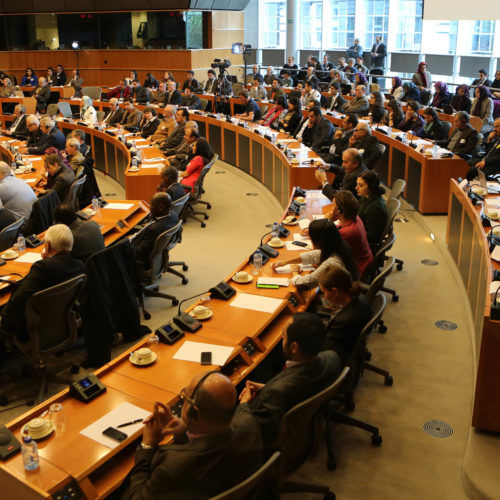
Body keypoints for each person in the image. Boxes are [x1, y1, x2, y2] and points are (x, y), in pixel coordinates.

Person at [121, 371, 262, 499]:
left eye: (185, 397)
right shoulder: (249, 423)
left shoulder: (172, 467)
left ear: (194, 413)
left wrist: (147, 446)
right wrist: (183, 426)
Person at [237, 312, 342, 445]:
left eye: (284, 335)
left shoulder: (275, 394)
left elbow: (250, 435)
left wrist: (244, 404)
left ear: (294, 347)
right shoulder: (332, 358)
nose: (281, 337)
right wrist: (267, 387)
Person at [0, 224, 85, 343]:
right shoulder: (79, 265)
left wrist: (4, 320)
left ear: (48, 245)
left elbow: (20, 298)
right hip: (63, 320)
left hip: (37, 326)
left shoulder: (42, 268)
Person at [272, 218, 359, 288]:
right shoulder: (339, 246)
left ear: (319, 240)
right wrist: (285, 262)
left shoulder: (332, 263)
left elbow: (303, 282)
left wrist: (294, 271)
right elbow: (314, 255)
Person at [318, 266, 372, 363]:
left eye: (324, 292)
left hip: (337, 358)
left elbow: (325, 348)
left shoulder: (344, 321)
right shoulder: (361, 297)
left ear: (335, 291)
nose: (324, 298)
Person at [330, 190, 373, 277]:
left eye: (333, 206)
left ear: (340, 211)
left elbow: (325, 250)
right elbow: (338, 227)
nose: (331, 209)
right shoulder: (354, 217)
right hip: (364, 261)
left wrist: (327, 220)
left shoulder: (347, 232)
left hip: (356, 269)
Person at [130, 192, 179, 267]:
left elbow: (139, 252)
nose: (150, 207)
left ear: (160, 207)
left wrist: (126, 244)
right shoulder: (173, 215)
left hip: (139, 257)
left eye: (152, 205)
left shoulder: (154, 230)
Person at [356, 170, 387, 249]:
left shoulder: (375, 208)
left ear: (371, 186)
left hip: (365, 245)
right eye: (357, 184)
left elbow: (372, 236)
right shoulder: (365, 197)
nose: (356, 188)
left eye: (361, 185)